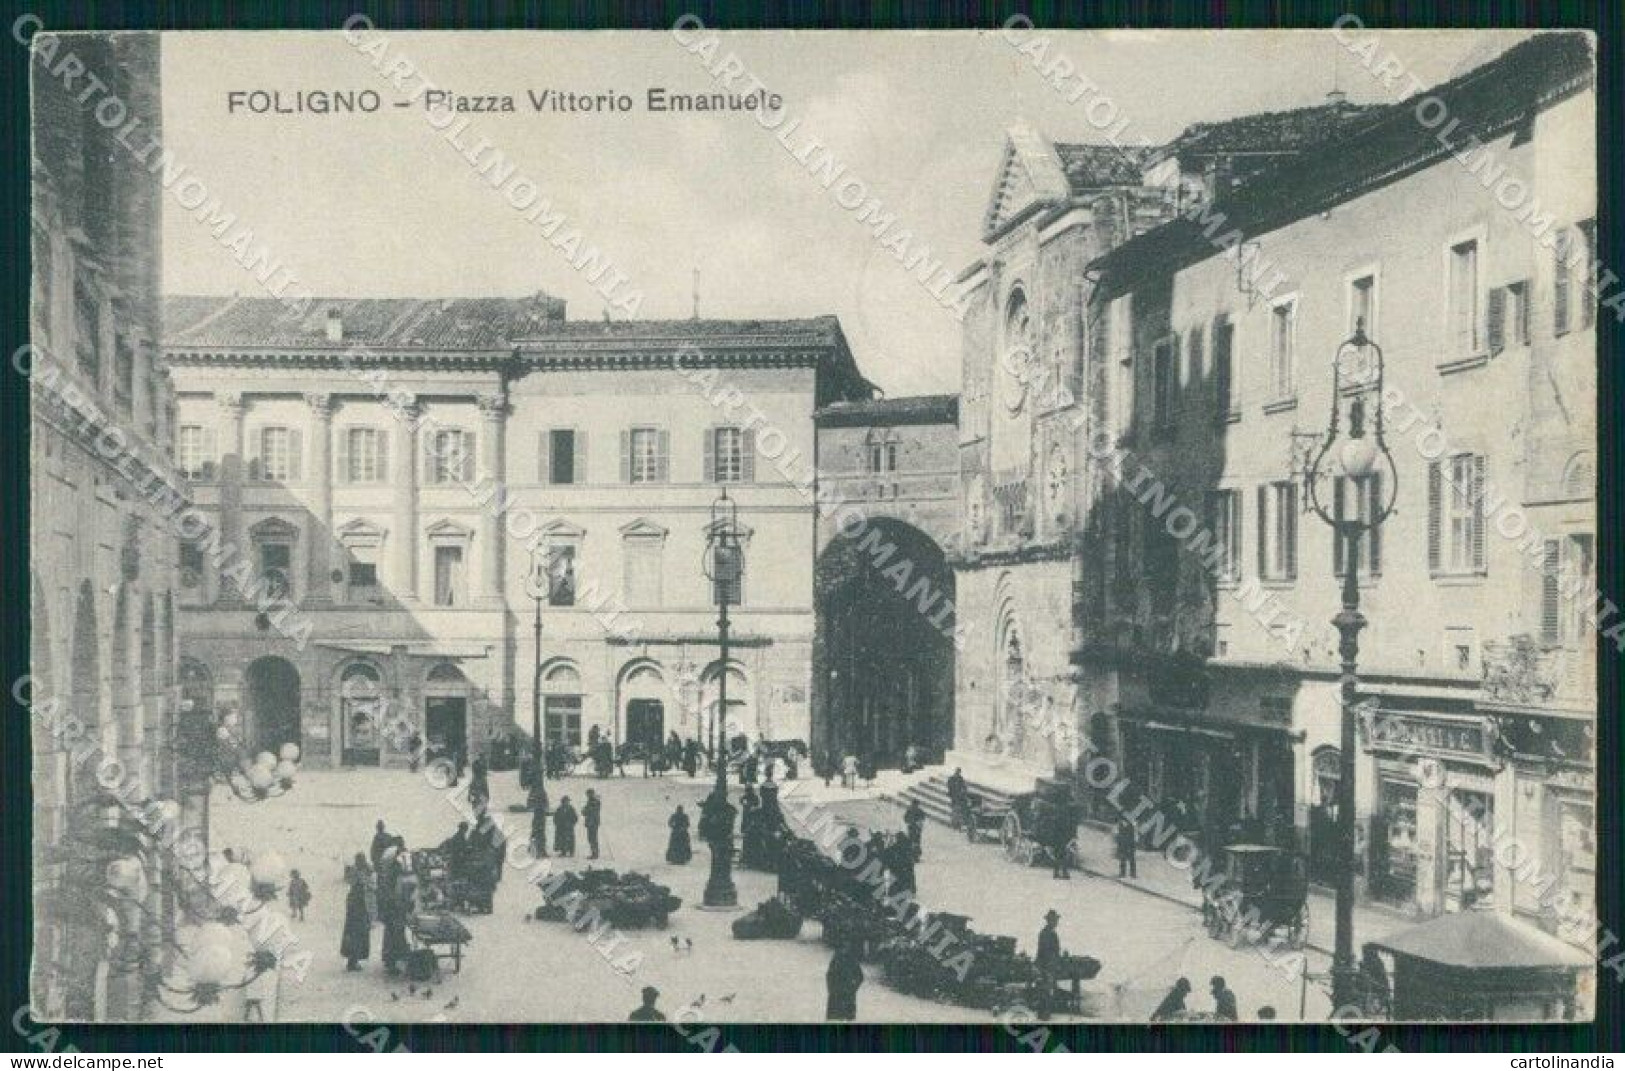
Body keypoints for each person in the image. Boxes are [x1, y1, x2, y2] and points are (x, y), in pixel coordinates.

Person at [340, 865, 371, 971]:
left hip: (353, 920)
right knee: (357, 941)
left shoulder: (353, 893)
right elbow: (362, 906)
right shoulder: (358, 893)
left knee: (354, 941)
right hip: (358, 919)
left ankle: (352, 961)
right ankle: (353, 962)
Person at [1033, 908, 1062, 1021]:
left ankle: (1044, 1014)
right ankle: (1044, 1015)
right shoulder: (1047, 933)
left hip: (1046, 966)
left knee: (1046, 990)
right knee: (1046, 991)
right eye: (1054, 920)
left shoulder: (1048, 933)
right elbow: (1045, 952)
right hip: (1047, 966)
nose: (1056, 922)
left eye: (1056, 920)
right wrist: (1048, 967)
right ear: (1049, 921)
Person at [825, 943, 865, 1021]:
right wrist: (831, 989)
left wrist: (853, 988)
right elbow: (829, 976)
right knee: (836, 1019)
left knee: (846, 1019)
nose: (843, 950)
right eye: (842, 948)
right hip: (837, 995)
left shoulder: (852, 960)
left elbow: (860, 977)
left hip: (845, 995)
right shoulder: (835, 960)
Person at [583, 789, 603, 860]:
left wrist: (587, 810)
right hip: (590, 822)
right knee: (590, 838)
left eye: (589, 794)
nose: (588, 796)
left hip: (593, 822)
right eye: (587, 794)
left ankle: (595, 853)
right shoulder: (590, 801)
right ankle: (594, 852)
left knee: (593, 838)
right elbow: (584, 811)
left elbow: (592, 811)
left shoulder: (595, 801)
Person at [529, 793, 550, 859]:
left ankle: (540, 852)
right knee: (538, 839)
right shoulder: (539, 809)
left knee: (540, 839)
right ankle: (538, 852)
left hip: (539, 826)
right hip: (538, 826)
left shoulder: (539, 808)